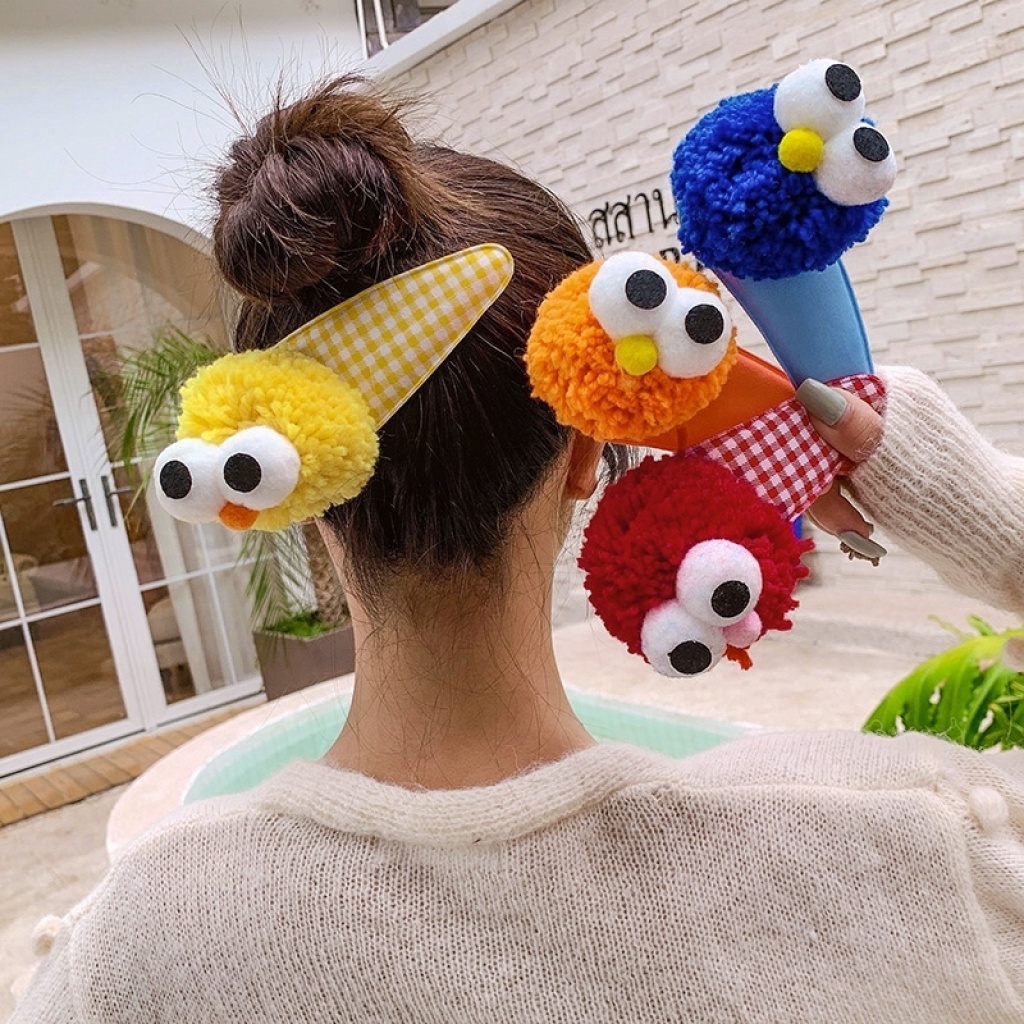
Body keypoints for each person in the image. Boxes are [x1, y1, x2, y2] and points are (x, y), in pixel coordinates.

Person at [13, 77, 1024, 1023]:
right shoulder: (911, 849)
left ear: (291, 488)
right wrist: (925, 467)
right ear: (586, 448)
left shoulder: (137, 949)